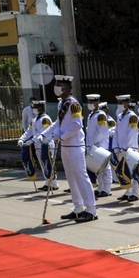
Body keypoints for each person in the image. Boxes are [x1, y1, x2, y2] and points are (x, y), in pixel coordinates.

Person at [41, 75, 98, 222]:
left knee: (81, 177)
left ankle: (91, 210)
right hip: (65, 145)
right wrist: (45, 134)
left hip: (74, 145)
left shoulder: (73, 104)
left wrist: (62, 136)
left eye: (59, 84)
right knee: (71, 178)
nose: (56, 87)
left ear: (66, 88)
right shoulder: (62, 104)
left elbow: (77, 125)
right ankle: (78, 208)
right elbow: (58, 123)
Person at [84, 94, 112, 198]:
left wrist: (92, 144)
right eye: (89, 102)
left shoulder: (101, 115)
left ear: (97, 103)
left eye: (92, 102)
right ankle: (100, 188)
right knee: (97, 168)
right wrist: (88, 145)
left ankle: (107, 188)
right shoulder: (91, 115)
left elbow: (101, 132)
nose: (90, 104)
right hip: (92, 146)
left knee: (105, 167)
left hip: (100, 145)